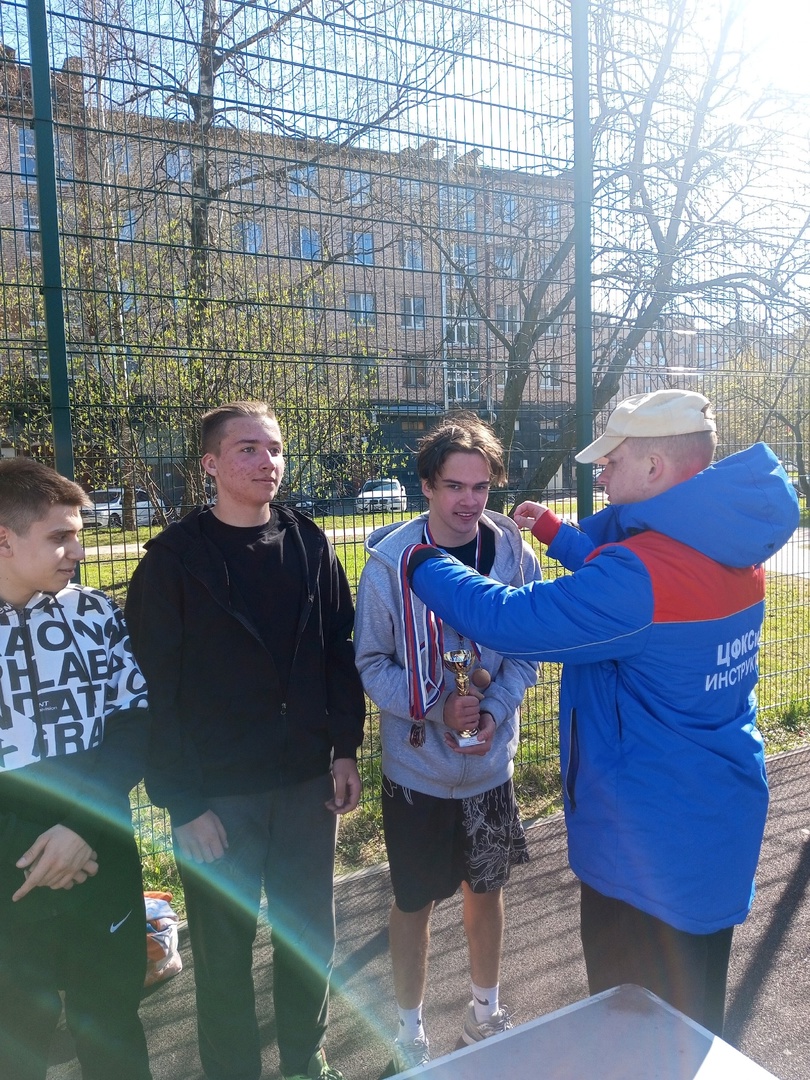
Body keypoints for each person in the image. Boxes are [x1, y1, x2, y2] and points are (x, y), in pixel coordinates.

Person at [406, 389, 800, 1036]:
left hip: (644, 847)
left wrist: (420, 559)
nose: (601, 474)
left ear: (655, 467)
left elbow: (506, 619)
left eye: (612, 461)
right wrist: (558, 535)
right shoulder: (729, 542)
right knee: (693, 1024)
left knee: (632, 1036)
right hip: (712, 823)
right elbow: (630, 580)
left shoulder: (641, 582)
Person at [125, 401, 365, 1080]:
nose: (268, 462)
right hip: (217, 798)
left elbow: (337, 651)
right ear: (210, 464)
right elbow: (155, 690)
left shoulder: (309, 543)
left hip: (305, 785)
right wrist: (182, 803)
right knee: (223, 951)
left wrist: (345, 748)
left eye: (275, 448)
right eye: (248, 449)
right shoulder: (174, 561)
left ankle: (304, 1058)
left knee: (307, 934)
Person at [354, 413, 542, 1072]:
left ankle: (484, 1012)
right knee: (413, 902)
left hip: (489, 768)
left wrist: (493, 709)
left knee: (485, 892)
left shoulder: (514, 555)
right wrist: (435, 708)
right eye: (454, 486)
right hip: (418, 771)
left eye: (480, 487)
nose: (468, 501)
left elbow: (527, 648)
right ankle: (409, 1030)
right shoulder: (390, 562)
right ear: (427, 486)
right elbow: (371, 662)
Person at [0, 457, 152, 1080]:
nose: (78, 552)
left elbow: (136, 722)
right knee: (16, 1040)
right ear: (4, 540)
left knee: (113, 1026)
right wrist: (33, 851)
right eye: (60, 537)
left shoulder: (96, 614)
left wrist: (79, 830)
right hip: (12, 878)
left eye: (78, 535)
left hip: (101, 857)